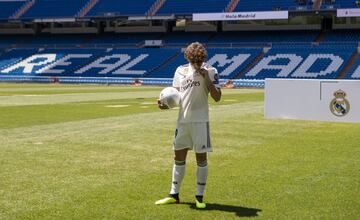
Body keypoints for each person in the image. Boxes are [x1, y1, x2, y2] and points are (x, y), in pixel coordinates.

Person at [155, 42, 221, 209]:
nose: (197, 64)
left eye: (200, 61)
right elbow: (175, 97)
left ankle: (199, 197)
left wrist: (206, 77)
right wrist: (165, 104)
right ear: (189, 58)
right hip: (182, 121)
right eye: (194, 61)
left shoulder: (211, 71)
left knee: (201, 159)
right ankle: (174, 194)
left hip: (201, 121)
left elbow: (217, 97)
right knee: (178, 158)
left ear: (204, 58)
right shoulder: (180, 71)